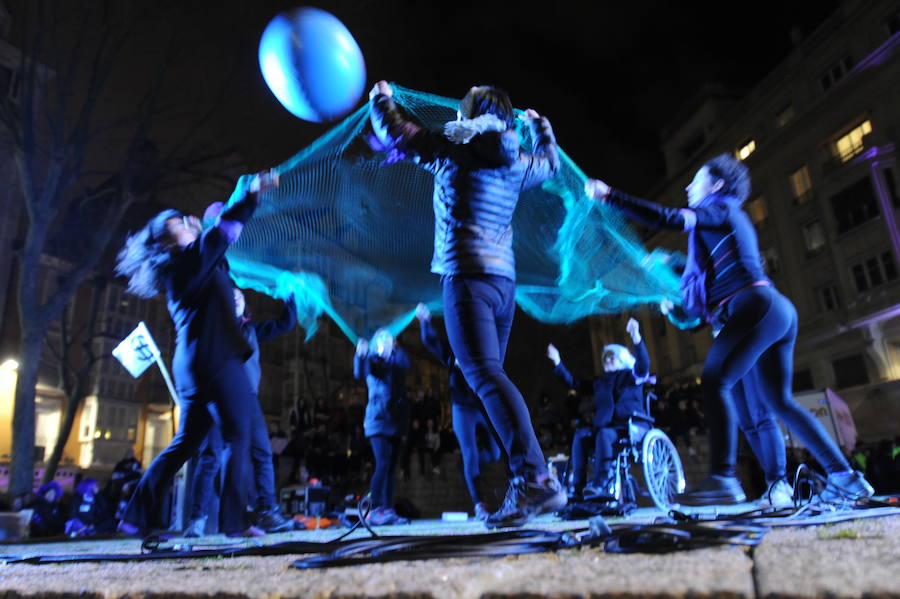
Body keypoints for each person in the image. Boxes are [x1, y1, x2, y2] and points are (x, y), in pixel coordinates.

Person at [586, 154, 874, 505]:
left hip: (754, 306)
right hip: (768, 311)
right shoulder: (719, 223)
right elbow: (700, 292)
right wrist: (675, 285)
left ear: (718, 185)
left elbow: (670, 218)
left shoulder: (721, 207)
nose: (689, 187)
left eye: (697, 180)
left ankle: (723, 478)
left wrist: (609, 195)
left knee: (715, 381)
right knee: (774, 402)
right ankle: (843, 478)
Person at [368, 80, 565, 527]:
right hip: (503, 284)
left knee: (484, 375)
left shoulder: (452, 149)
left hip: (467, 278)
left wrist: (381, 99)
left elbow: (396, 133)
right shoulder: (516, 159)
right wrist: (542, 129)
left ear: (468, 114)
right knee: (489, 376)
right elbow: (550, 164)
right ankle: (527, 482)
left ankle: (535, 478)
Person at [115, 170, 278, 536]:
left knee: (186, 442)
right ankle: (235, 524)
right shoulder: (187, 260)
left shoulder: (187, 264)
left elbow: (218, 246)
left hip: (193, 368)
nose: (186, 221)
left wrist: (214, 221)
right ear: (167, 241)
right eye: (177, 221)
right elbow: (224, 231)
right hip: (217, 360)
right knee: (238, 436)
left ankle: (135, 514)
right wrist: (248, 194)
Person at [183, 288, 297, 537]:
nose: (235, 296)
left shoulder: (252, 330)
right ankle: (197, 520)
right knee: (211, 455)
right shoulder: (215, 326)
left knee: (262, 453)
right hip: (216, 395)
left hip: (247, 399)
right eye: (229, 294)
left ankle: (268, 511)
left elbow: (285, 324)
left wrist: (292, 296)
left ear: (245, 304)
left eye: (240, 295)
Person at [416, 303, 502, 521]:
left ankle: (467, 466)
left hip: (481, 406)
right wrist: (424, 321)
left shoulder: (482, 350)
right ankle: (479, 503)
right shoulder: (451, 351)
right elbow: (430, 341)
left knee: (495, 453)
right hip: (462, 409)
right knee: (470, 453)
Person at [547, 318, 649, 501]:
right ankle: (577, 487)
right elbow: (573, 383)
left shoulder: (631, 376)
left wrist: (636, 337)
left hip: (629, 425)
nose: (607, 359)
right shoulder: (600, 383)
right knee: (580, 435)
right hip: (604, 427)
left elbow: (643, 367)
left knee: (604, 435)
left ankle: (600, 482)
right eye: (605, 357)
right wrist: (557, 362)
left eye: (612, 356)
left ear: (622, 359)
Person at [354, 328, 411, 525]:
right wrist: (360, 354)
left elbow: (405, 363)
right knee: (383, 463)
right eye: (382, 339)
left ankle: (388, 509)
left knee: (391, 467)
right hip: (377, 420)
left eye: (389, 339)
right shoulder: (373, 361)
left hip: (394, 422)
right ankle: (375, 508)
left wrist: (394, 349)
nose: (386, 342)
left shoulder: (395, 363)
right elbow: (359, 371)